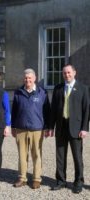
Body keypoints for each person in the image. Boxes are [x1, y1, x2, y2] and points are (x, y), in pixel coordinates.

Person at [49, 64, 89, 194]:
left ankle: (78, 182)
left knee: (77, 156)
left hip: (76, 128)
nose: (67, 75)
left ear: (74, 72)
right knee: (60, 156)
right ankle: (61, 181)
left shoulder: (83, 88)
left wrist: (85, 128)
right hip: (61, 127)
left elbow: (86, 109)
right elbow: (53, 109)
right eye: (65, 73)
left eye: (69, 72)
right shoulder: (58, 88)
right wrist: (51, 126)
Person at [11, 68, 50, 189]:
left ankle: (37, 179)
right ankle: (22, 178)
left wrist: (48, 127)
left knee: (36, 154)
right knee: (22, 155)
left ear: (35, 78)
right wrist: (13, 126)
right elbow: (14, 111)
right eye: (26, 78)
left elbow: (47, 111)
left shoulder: (42, 93)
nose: (27, 80)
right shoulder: (18, 92)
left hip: (37, 129)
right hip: (21, 129)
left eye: (30, 78)